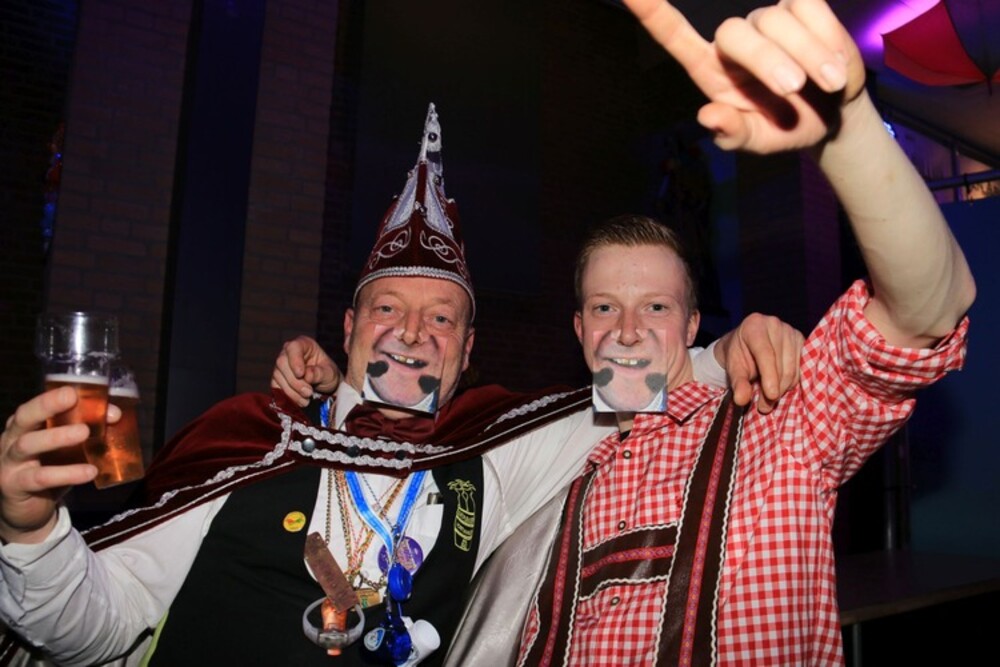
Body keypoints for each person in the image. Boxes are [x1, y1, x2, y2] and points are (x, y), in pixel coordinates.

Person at [0, 104, 802, 666]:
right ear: (349, 327)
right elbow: (97, 625)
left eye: (442, 318)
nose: (414, 332)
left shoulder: (489, 454)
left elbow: (634, 379)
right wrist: (30, 529)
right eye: (388, 308)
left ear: (467, 350)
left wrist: (725, 347)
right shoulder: (255, 440)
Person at [510, 0, 975, 664]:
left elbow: (927, 312)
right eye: (606, 308)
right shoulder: (550, 473)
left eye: (657, 307)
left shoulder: (777, 427)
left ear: (693, 324)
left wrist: (846, 131)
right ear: (580, 329)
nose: (629, 330)